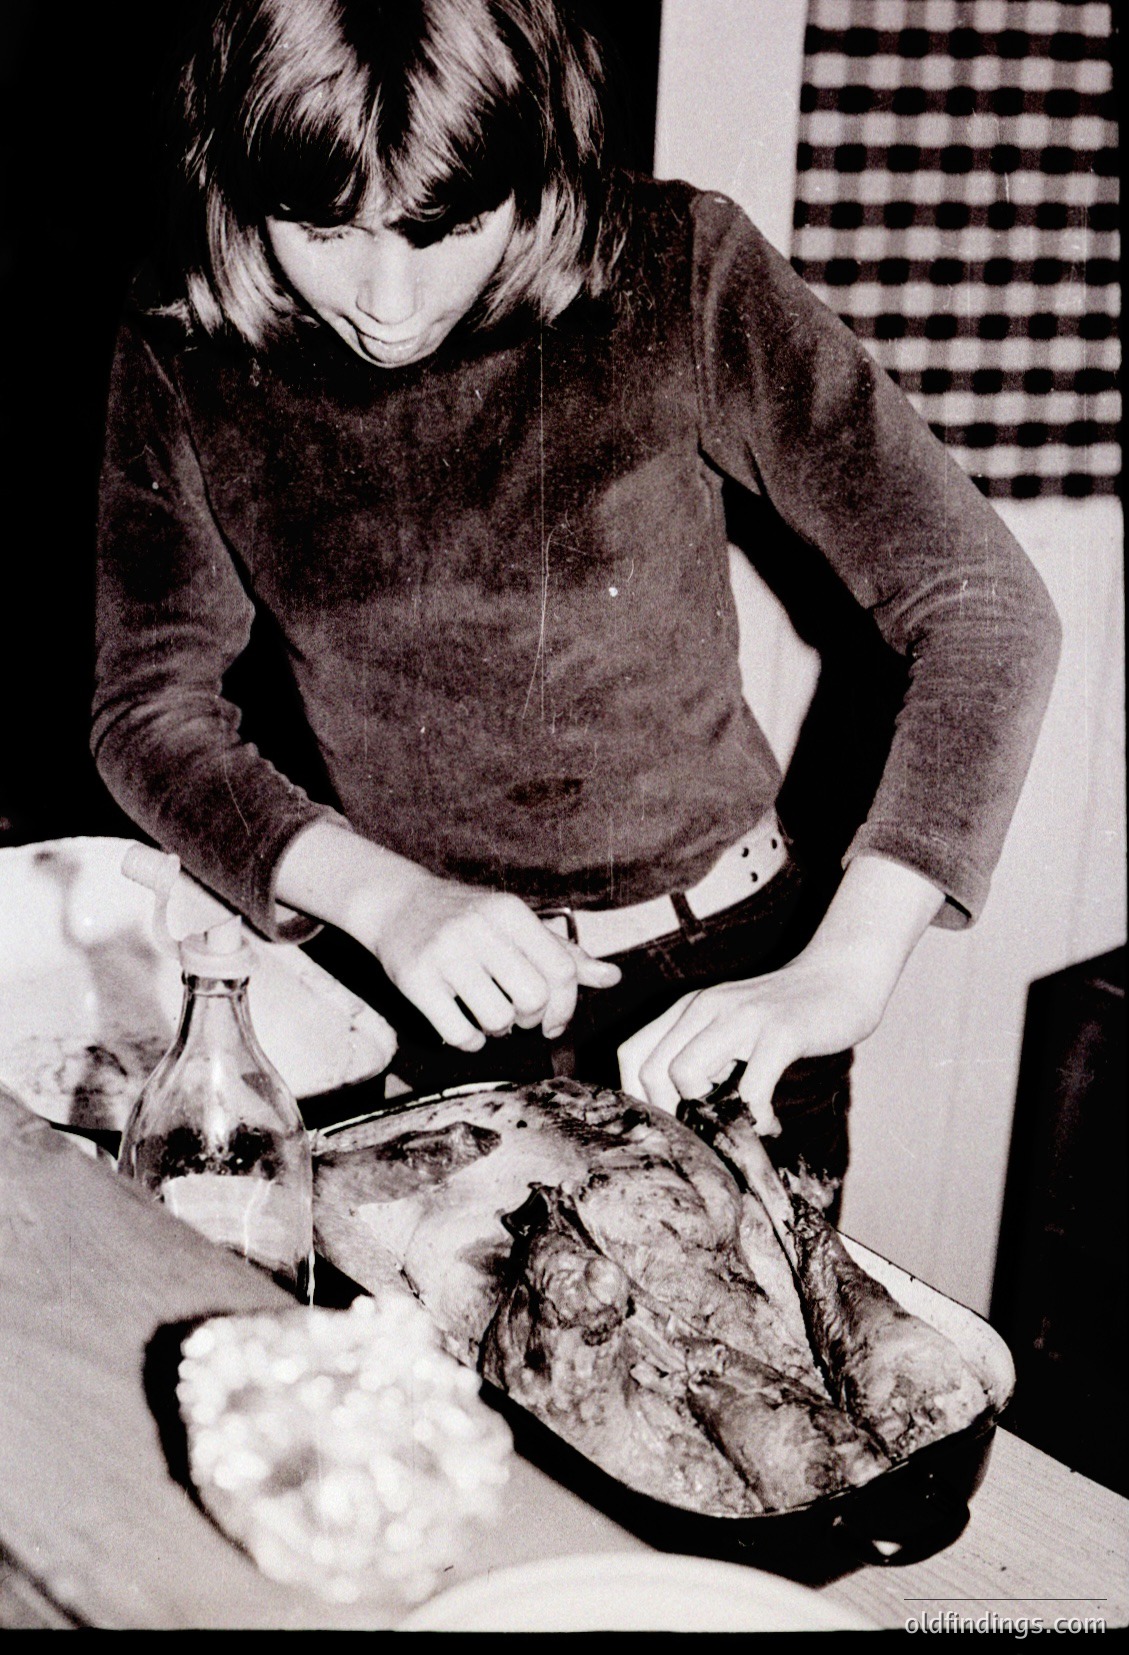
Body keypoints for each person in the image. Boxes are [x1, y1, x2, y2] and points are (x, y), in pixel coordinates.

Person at [92, 0, 1060, 1216]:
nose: (387, 299)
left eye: (446, 226)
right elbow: (149, 712)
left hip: (726, 994)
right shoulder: (184, 345)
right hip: (412, 998)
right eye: (323, 228)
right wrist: (388, 902)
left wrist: (847, 968)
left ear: (533, 164)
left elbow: (985, 612)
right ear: (236, 184)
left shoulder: (679, 269)